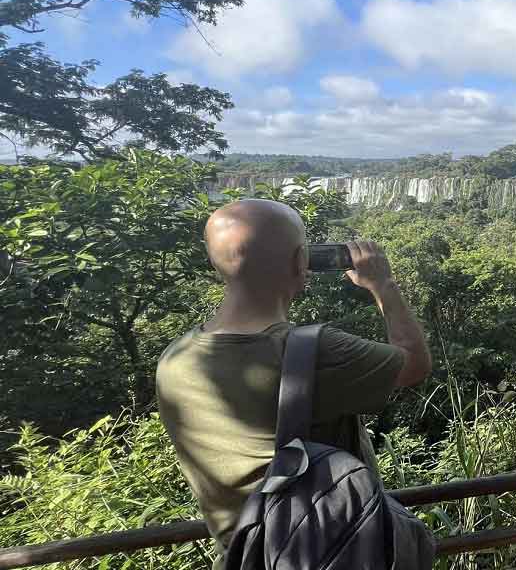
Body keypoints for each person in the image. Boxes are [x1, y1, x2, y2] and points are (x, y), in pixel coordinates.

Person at [155, 200, 432, 567]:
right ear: (300, 260)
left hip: (246, 556)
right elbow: (414, 363)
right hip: (327, 551)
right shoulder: (314, 352)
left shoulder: (176, 358)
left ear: (215, 262)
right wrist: (384, 285)